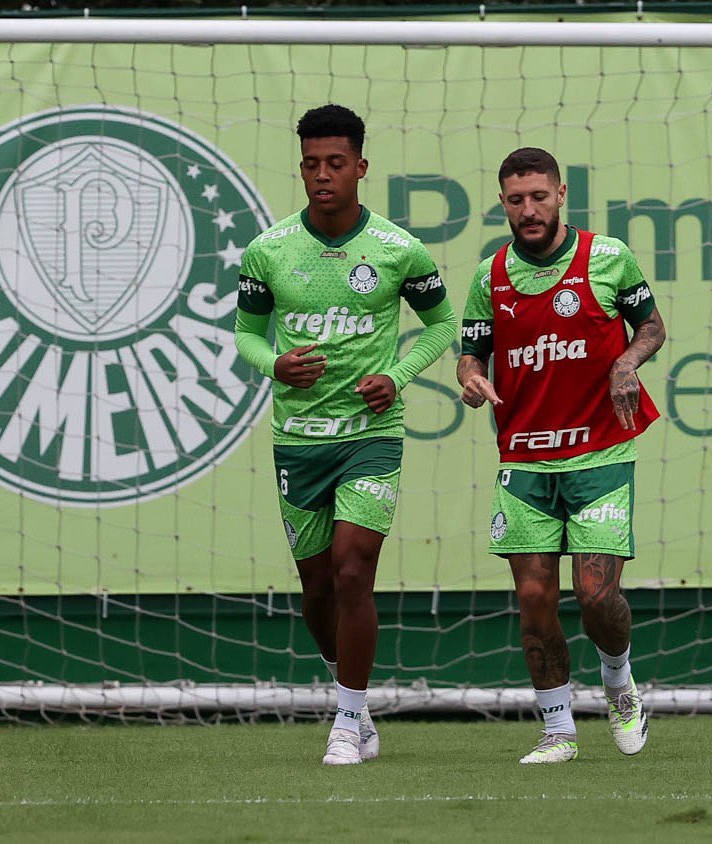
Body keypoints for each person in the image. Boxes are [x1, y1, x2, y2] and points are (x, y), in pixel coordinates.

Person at [235, 104, 457, 765]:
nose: (322, 175)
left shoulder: (397, 249)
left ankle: (347, 720)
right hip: (299, 439)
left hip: (371, 434)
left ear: (361, 167)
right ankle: (348, 686)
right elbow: (246, 333)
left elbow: (442, 325)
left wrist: (397, 374)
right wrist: (274, 363)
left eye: (336, 163)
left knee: (353, 570)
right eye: (311, 164)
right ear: (300, 168)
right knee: (317, 594)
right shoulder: (268, 250)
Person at [457, 147, 666, 763]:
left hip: (599, 452)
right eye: (516, 200)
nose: (529, 210)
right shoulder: (489, 275)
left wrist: (626, 361)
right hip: (524, 460)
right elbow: (473, 351)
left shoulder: (607, 257)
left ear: (561, 194)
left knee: (596, 596)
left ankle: (619, 682)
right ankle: (557, 730)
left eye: (539, 197)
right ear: (503, 202)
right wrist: (469, 376)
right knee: (533, 599)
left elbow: (651, 326)